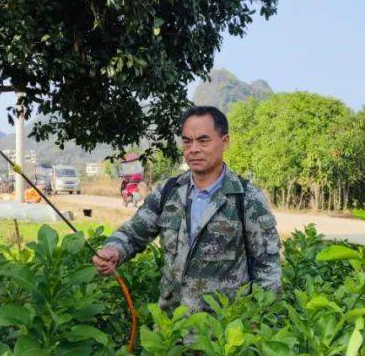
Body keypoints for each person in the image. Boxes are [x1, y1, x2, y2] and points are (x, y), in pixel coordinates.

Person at [93, 106, 282, 310]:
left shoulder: (247, 198)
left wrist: (260, 323)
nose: (193, 149)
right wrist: (114, 249)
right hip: (171, 330)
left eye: (203, 140)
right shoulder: (168, 191)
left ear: (224, 142)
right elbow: (133, 233)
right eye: (187, 141)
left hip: (223, 334)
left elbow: (268, 269)